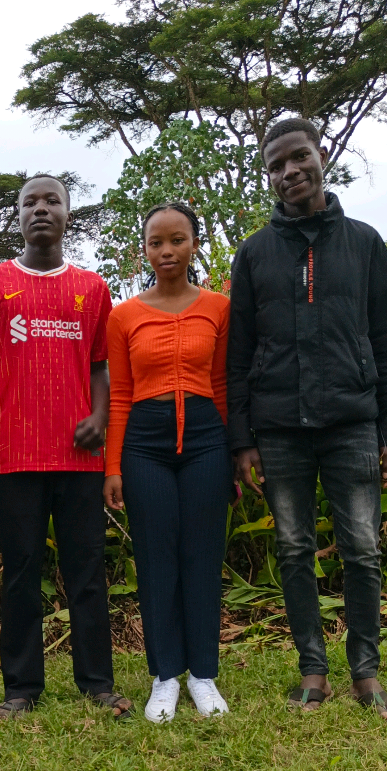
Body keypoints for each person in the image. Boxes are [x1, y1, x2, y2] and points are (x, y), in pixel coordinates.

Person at [227, 118, 387, 721]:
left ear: (321, 155)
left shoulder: (364, 243)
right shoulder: (253, 254)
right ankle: (313, 669)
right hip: (280, 429)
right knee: (293, 550)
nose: (289, 173)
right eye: (276, 166)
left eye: (298, 158)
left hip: (353, 423)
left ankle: (366, 672)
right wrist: (243, 441)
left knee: (361, 550)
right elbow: (239, 354)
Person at [0, 175, 131, 719]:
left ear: (67, 215)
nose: (41, 209)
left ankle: (97, 683)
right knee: (20, 574)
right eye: (29, 202)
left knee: (86, 573)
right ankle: (20, 689)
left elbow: (102, 365)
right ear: (16, 216)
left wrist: (101, 417)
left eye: (51, 201)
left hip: (78, 457)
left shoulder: (92, 288)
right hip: (15, 456)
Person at [104, 203, 232, 722]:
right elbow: (118, 397)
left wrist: (229, 451)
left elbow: (223, 385)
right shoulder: (124, 316)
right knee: (157, 559)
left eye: (176, 240)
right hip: (144, 442)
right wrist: (113, 467)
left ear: (194, 244)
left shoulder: (219, 308)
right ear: (145, 250)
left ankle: (203, 675)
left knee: (202, 555)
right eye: (156, 242)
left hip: (205, 437)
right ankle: (165, 677)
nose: (166, 251)